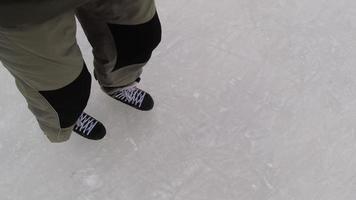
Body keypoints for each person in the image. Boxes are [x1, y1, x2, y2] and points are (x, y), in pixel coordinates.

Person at [0, 0, 162, 143]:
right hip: (22, 9)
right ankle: (70, 119)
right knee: (63, 91)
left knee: (139, 36)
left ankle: (118, 83)